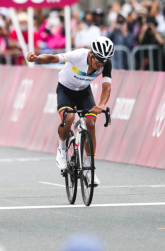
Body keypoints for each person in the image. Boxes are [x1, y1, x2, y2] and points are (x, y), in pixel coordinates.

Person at [26, 37, 114, 186]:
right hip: (65, 90)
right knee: (68, 118)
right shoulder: (79, 55)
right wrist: (37, 58)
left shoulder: (106, 64)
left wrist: (101, 104)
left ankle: (89, 168)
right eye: (99, 60)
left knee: (91, 123)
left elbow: (106, 87)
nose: (101, 64)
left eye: (105, 61)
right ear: (92, 53)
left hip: (84, 93)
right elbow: (54, 58)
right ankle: (61, 150)